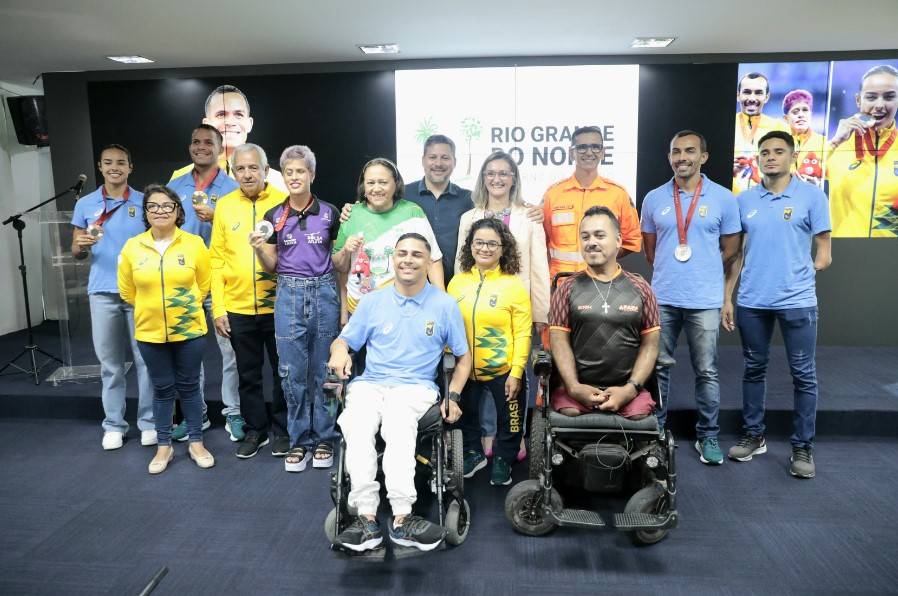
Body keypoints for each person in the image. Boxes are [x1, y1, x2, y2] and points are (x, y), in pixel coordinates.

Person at [327, 233, 472, 553]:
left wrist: (454, 395)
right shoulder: (373, 301)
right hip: (372, 383)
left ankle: (402, 517)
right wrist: (340, 351)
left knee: (396, 421)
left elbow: (463, 358)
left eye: (416, 255)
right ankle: (366, 517)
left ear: (428, 262)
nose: (408, 259)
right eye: (402, 253)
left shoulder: (444, 304)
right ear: (393, 259)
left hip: (415, 387)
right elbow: (344, 340)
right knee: (356, 422)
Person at [723, 130, 832, 479]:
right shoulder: (744, 201)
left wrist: (800, 273)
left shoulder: (812, 197)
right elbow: (736, 255)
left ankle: (803, 447)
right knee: (754, 369)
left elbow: (825, 254)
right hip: (753, 300)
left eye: (778, 151)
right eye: (765, 152)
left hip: (797, 301)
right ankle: (754, 435)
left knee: (804, 375)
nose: (771, 157)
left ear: (792, 157)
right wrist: (728, 296)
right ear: (758, 159)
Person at [641, 130, 741, 465]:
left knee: (707, 371)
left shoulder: (724, 198)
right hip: (664, 297)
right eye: (675, 152)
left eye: (689, 151)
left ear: (704, 156)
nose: (682, 157)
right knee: (658, 368)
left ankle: (708, 436)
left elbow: (731, 249)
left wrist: (709, 278)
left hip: (705, 299)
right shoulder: (654, 198)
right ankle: (656, 432)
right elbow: (652, 251)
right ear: (669, 157)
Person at [251, 145, 341, 473]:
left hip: (324, 294)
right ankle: (299, 440)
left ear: (312, 175)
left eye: (300, 171)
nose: (294, 177)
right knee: (291, 373)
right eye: (289, 172)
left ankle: (325, 438)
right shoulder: (274, 216)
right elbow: (272, 266)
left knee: (325, 372)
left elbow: (339, 260)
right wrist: (260, 250)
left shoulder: (329, 213)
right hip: (288, 294)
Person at [455, 150, 549, 460]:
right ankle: (487, 434)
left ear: (513, 179)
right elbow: (461, 265)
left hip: (514, 308)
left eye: (503, 173)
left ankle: (515, 436)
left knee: (512, 376)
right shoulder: (468, 218)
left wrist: (540, 312)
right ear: (483, 178)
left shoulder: (529, 216)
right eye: (491, 173)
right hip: (477, 308)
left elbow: (538, 267)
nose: (497, 179)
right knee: (477, 373)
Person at [118, 184, 215, 474]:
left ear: (178, 211)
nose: (160, 211)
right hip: (149, 332)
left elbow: (204, 284)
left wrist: (182, 310)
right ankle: (164, 446)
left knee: (189, 387)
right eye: (153, 206)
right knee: (161, 389)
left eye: (167, 206)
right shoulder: (133, 247)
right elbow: (127, 290)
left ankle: (196, 442)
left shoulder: (194, 243)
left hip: (190, 331)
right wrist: (152, 310)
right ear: (146, 212)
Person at [71, 144, 155, 450]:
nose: (114, 167)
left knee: (146, 360)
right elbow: (77, 253)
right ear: (100, 166)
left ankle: (148, 422)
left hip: (140, 292)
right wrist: (80, 245)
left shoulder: (145, 202)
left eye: (121, 162)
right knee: (110, 364)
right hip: (103, 291)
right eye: (108, 163)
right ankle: (114, 425)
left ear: (130, 167)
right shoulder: (87, 204)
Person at [210, 143, 290, 459]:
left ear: (265, 170)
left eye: (252, 167)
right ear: (233, 172)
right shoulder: (225, 206)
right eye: (240, 169)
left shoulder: (283, 203)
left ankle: (282, 430)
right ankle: (256, 429)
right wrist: (218, 308)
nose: (246, 174)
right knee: (247, 374)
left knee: (283, 372)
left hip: (278, 306)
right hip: (237, 306)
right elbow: (216, 258)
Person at [167, 124, 244, 442]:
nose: (201, 147)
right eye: (195, 141)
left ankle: (234, 412)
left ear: (220, 147)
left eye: (208, 142)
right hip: (186, 281)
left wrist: (218, 218)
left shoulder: (232, 187)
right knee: (189, 354)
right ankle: (194, 414)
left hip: (222, 281)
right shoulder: (176, 184)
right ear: (190, 147)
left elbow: (240, 235)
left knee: (231, 352)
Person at [548, 206, 660, 419]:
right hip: (578, 387)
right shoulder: (566, 288)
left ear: (618, 240)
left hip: (627, 387)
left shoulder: (641, 288)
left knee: (639, 417)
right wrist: (573, 387)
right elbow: (558, 342)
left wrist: (630, 390)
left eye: (599, 235)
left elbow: (651, 345)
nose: (591, 242)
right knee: (569, 412)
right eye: (585, 236)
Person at [448, 218, 531, 486]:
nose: (485, 248)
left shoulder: (514, 286)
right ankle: (474, 453)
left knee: (511, 422)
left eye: (492, 243)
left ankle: (504, 459)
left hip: (503, 370)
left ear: (503, 247)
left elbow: (522, 333)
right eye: (479, 242)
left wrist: (516, 372)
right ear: (470, 246)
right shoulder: (457, 284)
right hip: (465, 369)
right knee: (465, 417)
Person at [332, 158, 443, 322]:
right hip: (359, 311)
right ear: (364, 186)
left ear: (395, 184)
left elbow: (433, 260)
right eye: (370, 183)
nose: (376, 188)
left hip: (405, 309)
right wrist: (346, 250)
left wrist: (442, 302)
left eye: (383, 182)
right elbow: (339, 267)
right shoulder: (351, 214)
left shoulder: (413, 212)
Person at [542, 126, 641, 282]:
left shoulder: (618, 194)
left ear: (602, 152)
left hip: (603, 282)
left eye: (595, 147)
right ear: (571, 153)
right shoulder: (553, 195)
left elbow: (631, 241)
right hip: (560, 283)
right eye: (582, 147)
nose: (589, 152)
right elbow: (541, 241)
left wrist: (604, 259)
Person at [170, 84, 286, 193]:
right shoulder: (180, 178)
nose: (230, 122)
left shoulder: (274, 181)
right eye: (221, 114)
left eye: (239, 114)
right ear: (206, 124)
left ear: (249, 124)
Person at [827, 64, 898, 238]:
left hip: (891, 257)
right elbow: (795, 184)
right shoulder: (837, 145)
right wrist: (835, 143)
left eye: (889, 97)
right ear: (858, 100)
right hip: (841, 254)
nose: (880, 105)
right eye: (871, 97)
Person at [733, 72, 787, 194]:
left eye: (758, 93)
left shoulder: (780, 128)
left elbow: (789, 169)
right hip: (730, 201)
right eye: (747, 92)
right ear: (738, 95)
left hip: (768, 200)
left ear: (766, 97)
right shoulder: (725, 125)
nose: (752, 98)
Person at [781, 90, 826, 187]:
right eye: (795, 111)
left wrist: (819, 186)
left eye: (805, 110)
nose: (801, 115)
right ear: (786, 118)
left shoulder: (824, 143)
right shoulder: (777, 144)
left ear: (811, 114)